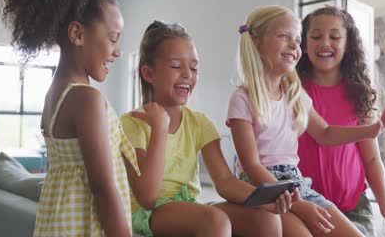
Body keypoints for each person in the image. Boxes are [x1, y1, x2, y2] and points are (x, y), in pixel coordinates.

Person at [226, 5, 385, 237]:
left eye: (297, 40)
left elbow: (325, 133)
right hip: (263, 188)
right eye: (284, 36)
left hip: (296, 182)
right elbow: (251, 166)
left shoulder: (295, 94)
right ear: (256, 42)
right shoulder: (242, 98)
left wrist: (371, 130)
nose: (293, 45)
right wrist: (298, 205)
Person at [121, 21, 297, 237]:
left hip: (189, 205)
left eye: (194, 68)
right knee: (215, 220)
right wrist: (159, 128)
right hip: (150, 212)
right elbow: (147, 197)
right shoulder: (131, 123)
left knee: (265, 216)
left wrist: (263, 199)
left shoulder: (199, 122)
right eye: (176, 66)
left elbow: (224, 181)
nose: (187, 74)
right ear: (148, 73)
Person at [0, 0, 141, 236]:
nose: (118, 50)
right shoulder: (86, 98)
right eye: (112, 38)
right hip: (84, 226)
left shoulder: (55, 93)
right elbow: (102, 188)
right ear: (77, 33)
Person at [296, 6, 385, 236]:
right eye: (316, 36)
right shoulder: (294, 91)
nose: (325, 42)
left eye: (335, 37)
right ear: (304, 44)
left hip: (353, 207)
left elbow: (372, 158)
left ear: (348, 45)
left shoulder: (359, 94)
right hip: (306, 206)